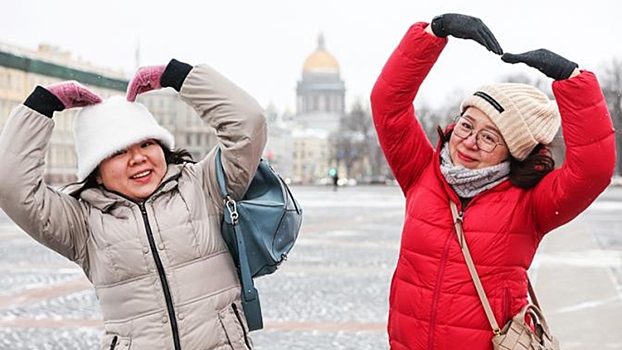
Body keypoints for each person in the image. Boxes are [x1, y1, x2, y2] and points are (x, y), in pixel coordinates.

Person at [370, 13, 616, 350]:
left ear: (513, 152)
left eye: (490, 138)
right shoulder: (421, 173)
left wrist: (573, 80)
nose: (469, 141)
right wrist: (432, 33)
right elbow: (388, 105)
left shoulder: (530, 204)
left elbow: (593, 170)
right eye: (467, 125)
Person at [0, 58, 267, 350]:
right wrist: (42, 104)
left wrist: (179, 77)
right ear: (96, 169)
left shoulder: (205, 186)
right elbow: (11, 186)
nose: (138, 157)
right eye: (118, 151)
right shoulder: (80, 223)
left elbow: (248, 125)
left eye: (146, 143)